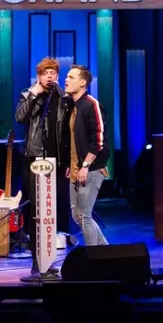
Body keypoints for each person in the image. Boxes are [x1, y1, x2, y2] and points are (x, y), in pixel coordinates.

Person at [15, 57, 68, 281]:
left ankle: (48, 260)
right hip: (33, 159)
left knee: (50, 212)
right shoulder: (29, 94)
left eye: (53, 73)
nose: (49, 76)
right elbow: (20, 117)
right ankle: (37, 263)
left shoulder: (62, 97)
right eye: (45, 73)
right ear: (38, 75)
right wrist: (34, 94)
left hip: (55, 161)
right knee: (37, 211)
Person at [61, 65, 110, 246]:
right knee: (77, 215)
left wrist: (85, 165)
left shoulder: (91, 104)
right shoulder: (72, 106)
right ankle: (105, 251)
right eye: (66, 76)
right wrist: (71, 165)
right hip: (75, 168)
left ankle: (94, 257)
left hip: (91, 168)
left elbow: (98, 138)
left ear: (83, 82)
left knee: (85, 215)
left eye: (71, 77)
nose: (66, 80)